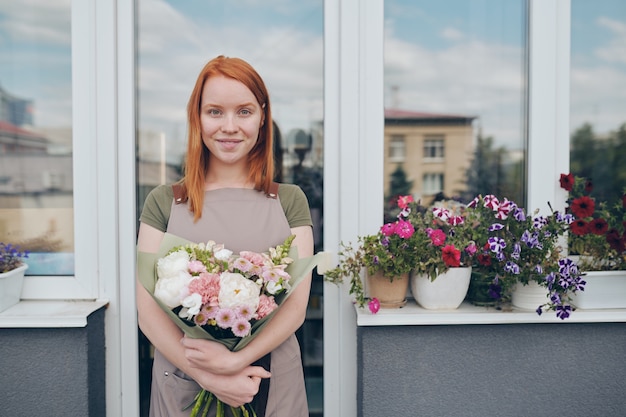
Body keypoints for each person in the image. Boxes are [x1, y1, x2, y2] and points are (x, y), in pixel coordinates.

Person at [136, 55, 314, 417]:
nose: (229, 126)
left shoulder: (289, 200)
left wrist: (236, 363)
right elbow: (147, 312)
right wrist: (208, 377)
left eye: (244, 111)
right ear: (197, 118)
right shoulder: (165, 202)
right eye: (215, 112)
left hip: (268, 379)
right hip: (183, 379)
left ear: (263, 117)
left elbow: (295, 307)